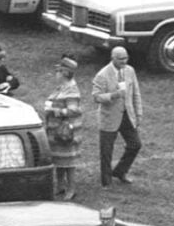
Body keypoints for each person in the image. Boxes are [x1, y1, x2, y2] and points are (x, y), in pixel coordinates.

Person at [92, 46, 141, 186]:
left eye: (126, 58)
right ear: (112, 58)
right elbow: (96, 97)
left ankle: (120, 171)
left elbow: (136, 93)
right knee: (106, 151)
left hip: (127, 115)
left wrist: (138, 114)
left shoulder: (130, 71)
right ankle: (106, 182)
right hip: (109, 117)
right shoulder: (102, 75)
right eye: (120, 59)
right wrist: (114, 95)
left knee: (135, 144)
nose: (124, 61)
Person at [44, 54, 82, 200]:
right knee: (59, 160)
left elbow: (74, 110)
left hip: (66, 132)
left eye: (58, 71)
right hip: (56, 131)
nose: (56, 74)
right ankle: (60, 186)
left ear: (65, 73)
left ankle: (71, 189)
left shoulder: (71, 90)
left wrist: (56, 111)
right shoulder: (62, 87)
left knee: (69, 162)